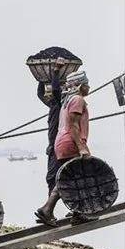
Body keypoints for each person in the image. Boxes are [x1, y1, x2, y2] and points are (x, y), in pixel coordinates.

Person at [37, 70, 92, 225]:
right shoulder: (77, 99)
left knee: (70, 178)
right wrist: (82, 147)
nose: (89, 87)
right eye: (87, 84)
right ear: (81, 85)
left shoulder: (67, 100)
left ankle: (76, 213)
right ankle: (47, 210)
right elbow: (74, 126)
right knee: (76, 177)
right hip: (70, 143)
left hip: (62, 144)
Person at [36, 58, 70, 196]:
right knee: (51, 179)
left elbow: (55, 91)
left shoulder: (63, 104)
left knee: (61, 177)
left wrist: (55, 71)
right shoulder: (53, 105)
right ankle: (49, 212)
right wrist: (41, 78)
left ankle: (74, 211)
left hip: (60, 146)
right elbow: (40, 94)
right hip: (53, 147)